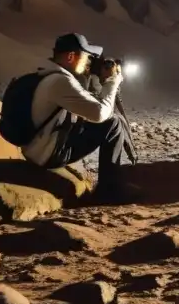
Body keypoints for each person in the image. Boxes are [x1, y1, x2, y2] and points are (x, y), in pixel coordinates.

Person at [22, 33, 140, 202]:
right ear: (71, 56)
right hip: (48, 154)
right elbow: (100, 114)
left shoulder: (47, 73)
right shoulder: (61, 82)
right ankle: (110, 191)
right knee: (113, 124)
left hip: (35, 147)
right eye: (87, 57)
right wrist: (112, 82)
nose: (89, 63)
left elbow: (90, 105)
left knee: (105, 121)